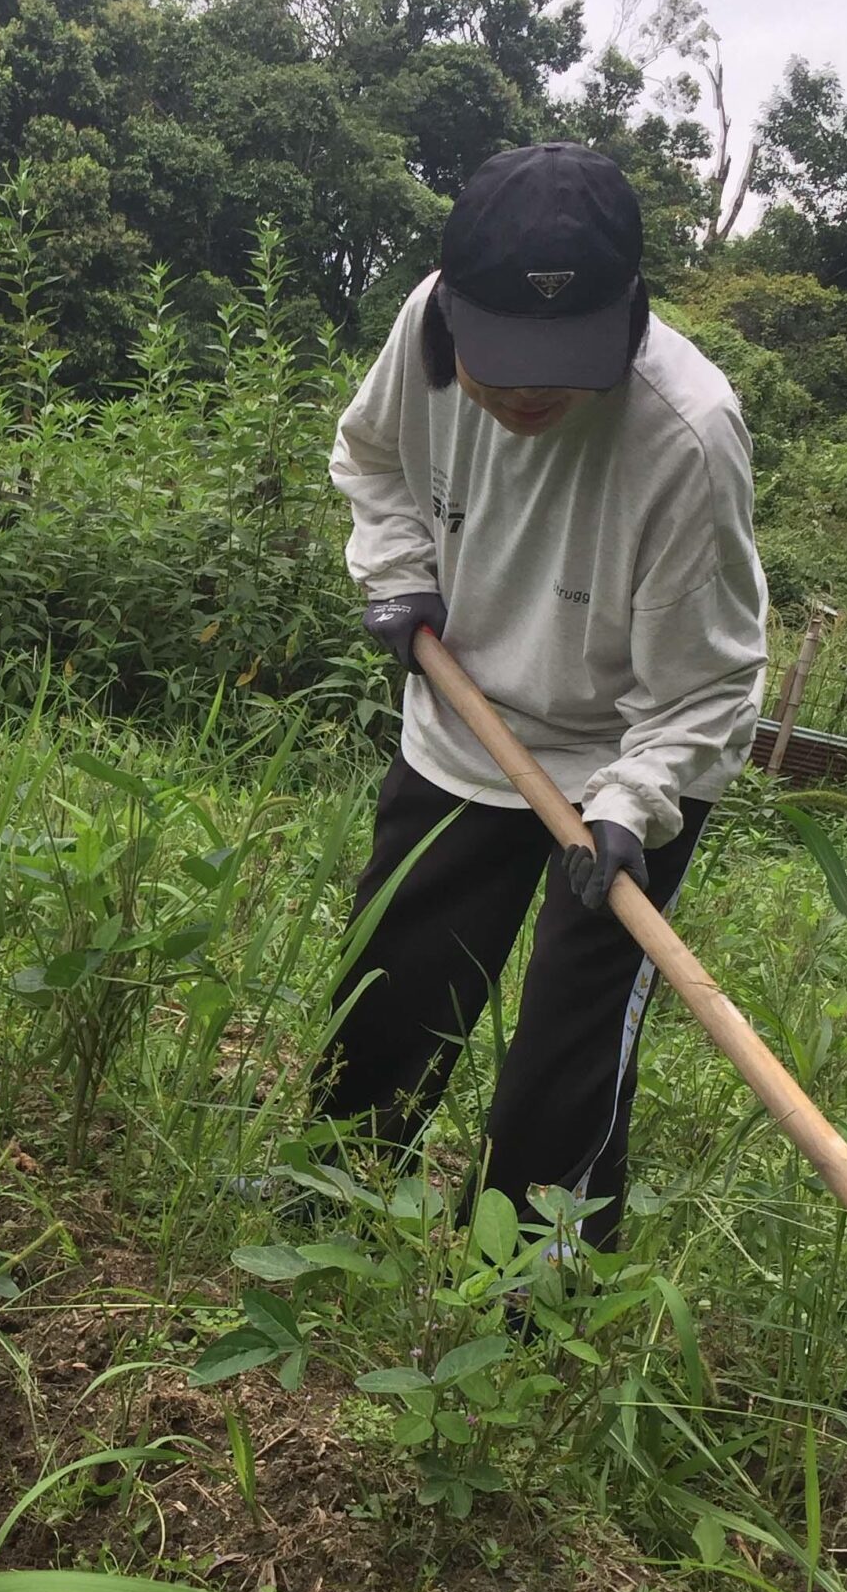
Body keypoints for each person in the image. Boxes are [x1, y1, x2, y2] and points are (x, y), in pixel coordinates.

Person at [319, 143, 768, 1246]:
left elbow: (708, 680)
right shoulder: (425, 328)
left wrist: (632, 807)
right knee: (395, 988)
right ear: (451, 316)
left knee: (565, 1053)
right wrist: (400, 574)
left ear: (629, 318)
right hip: (464, 715)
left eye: (560, 364)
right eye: (503, 359)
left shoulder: (687, 435)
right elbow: (371, 457)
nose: (526, 391)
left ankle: (537, 1285)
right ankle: (328, 1200)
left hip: (630, 753)